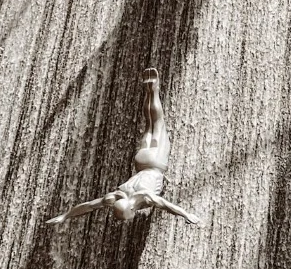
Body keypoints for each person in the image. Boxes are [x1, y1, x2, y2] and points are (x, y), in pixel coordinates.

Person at [46, 68, 201, 227]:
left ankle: (153, 91)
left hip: (155, 163)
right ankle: (149, 91)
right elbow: (89, 206)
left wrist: (186, 214)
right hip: (141, 163)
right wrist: (64, 216)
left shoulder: (143, 197)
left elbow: (167, 205)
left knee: (157, 123)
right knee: (150, 123)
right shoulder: (115, 197)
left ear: (132, 208)